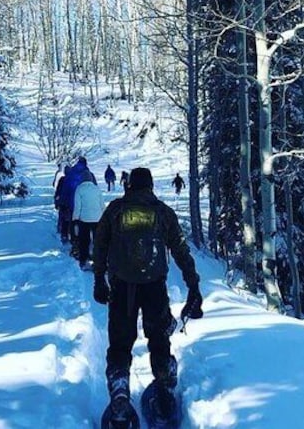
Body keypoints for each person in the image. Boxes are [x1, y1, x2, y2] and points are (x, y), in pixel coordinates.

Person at [92, 167, 203, 420]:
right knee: (159, 340)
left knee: (120, 344)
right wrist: (193, 284)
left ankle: (120, 393)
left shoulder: (115, 210)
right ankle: (163, 389)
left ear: (129, 185)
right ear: (151, 186)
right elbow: (181, 251)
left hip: (121, 287)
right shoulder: (163, 212)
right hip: (155, 287)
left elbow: (99, 245)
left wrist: (99, 279)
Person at [72, 175, 104, 269]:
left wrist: (75, 219)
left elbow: (78, 206)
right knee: (97, 240)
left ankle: (83, 260)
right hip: (97, 218)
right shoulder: (96, 189)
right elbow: (102, 205)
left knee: (84, 241)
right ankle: (98, 261)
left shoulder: (79, 189)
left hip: (84, 219)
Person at [54, 166, 71, 243]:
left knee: (63, 219)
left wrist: (57, 202)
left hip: (63, 203)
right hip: (70, 203)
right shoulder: (73, 180)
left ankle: (63, 234)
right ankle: (69, 233)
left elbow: (58, 191)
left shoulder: (62, 180)